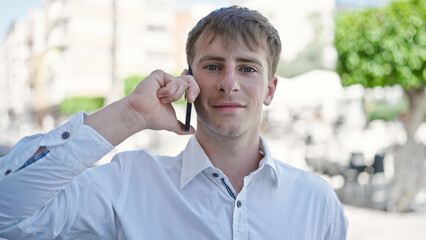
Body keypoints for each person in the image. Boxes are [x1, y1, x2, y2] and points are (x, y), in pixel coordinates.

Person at [0, 6, 348, 239]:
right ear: (188, 82)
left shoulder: (316, 201)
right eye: (212, 66)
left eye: (247, 68)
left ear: (270, 89)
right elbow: (9, 215)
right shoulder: (130, 182)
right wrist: (131, 114)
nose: (229, 82)